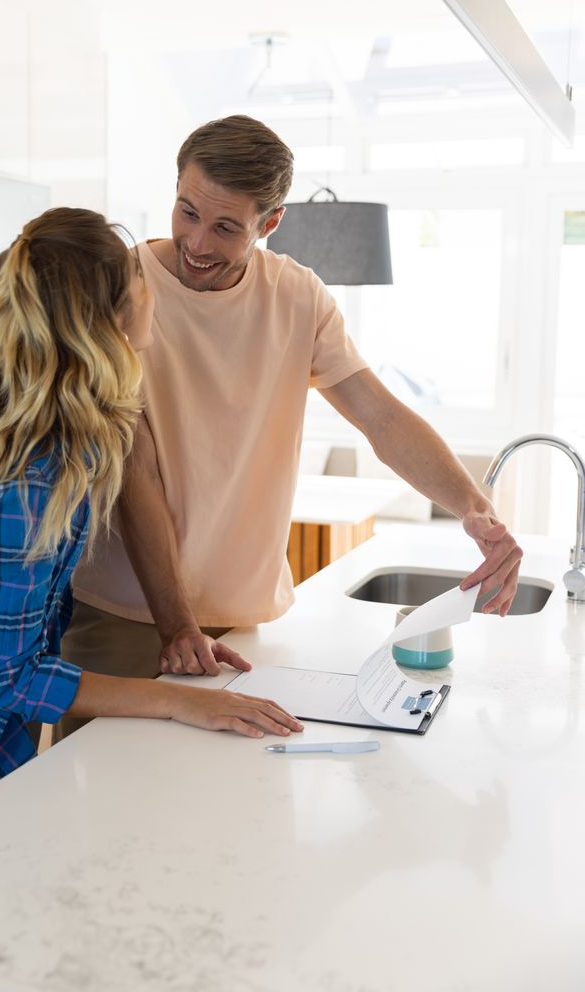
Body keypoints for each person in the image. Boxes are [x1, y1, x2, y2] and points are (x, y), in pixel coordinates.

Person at [57, 116, 522, 734]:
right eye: (187, 211)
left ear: (269, 224)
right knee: (97, 815)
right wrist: (175, 623)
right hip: (125, 616)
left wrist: (473, 507)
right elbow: (132, 469)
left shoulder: (298, 296)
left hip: (247, 621)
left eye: (226, 227)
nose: (197, 242)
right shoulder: (125, 288)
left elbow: (381, 417)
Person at [0, 206, 303, 822]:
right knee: (15, 866)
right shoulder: (28, 484)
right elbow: (10, 678)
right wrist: (179, 703)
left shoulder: (55, 405)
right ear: (106, 321)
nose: (151, 291)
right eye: (139, 284)